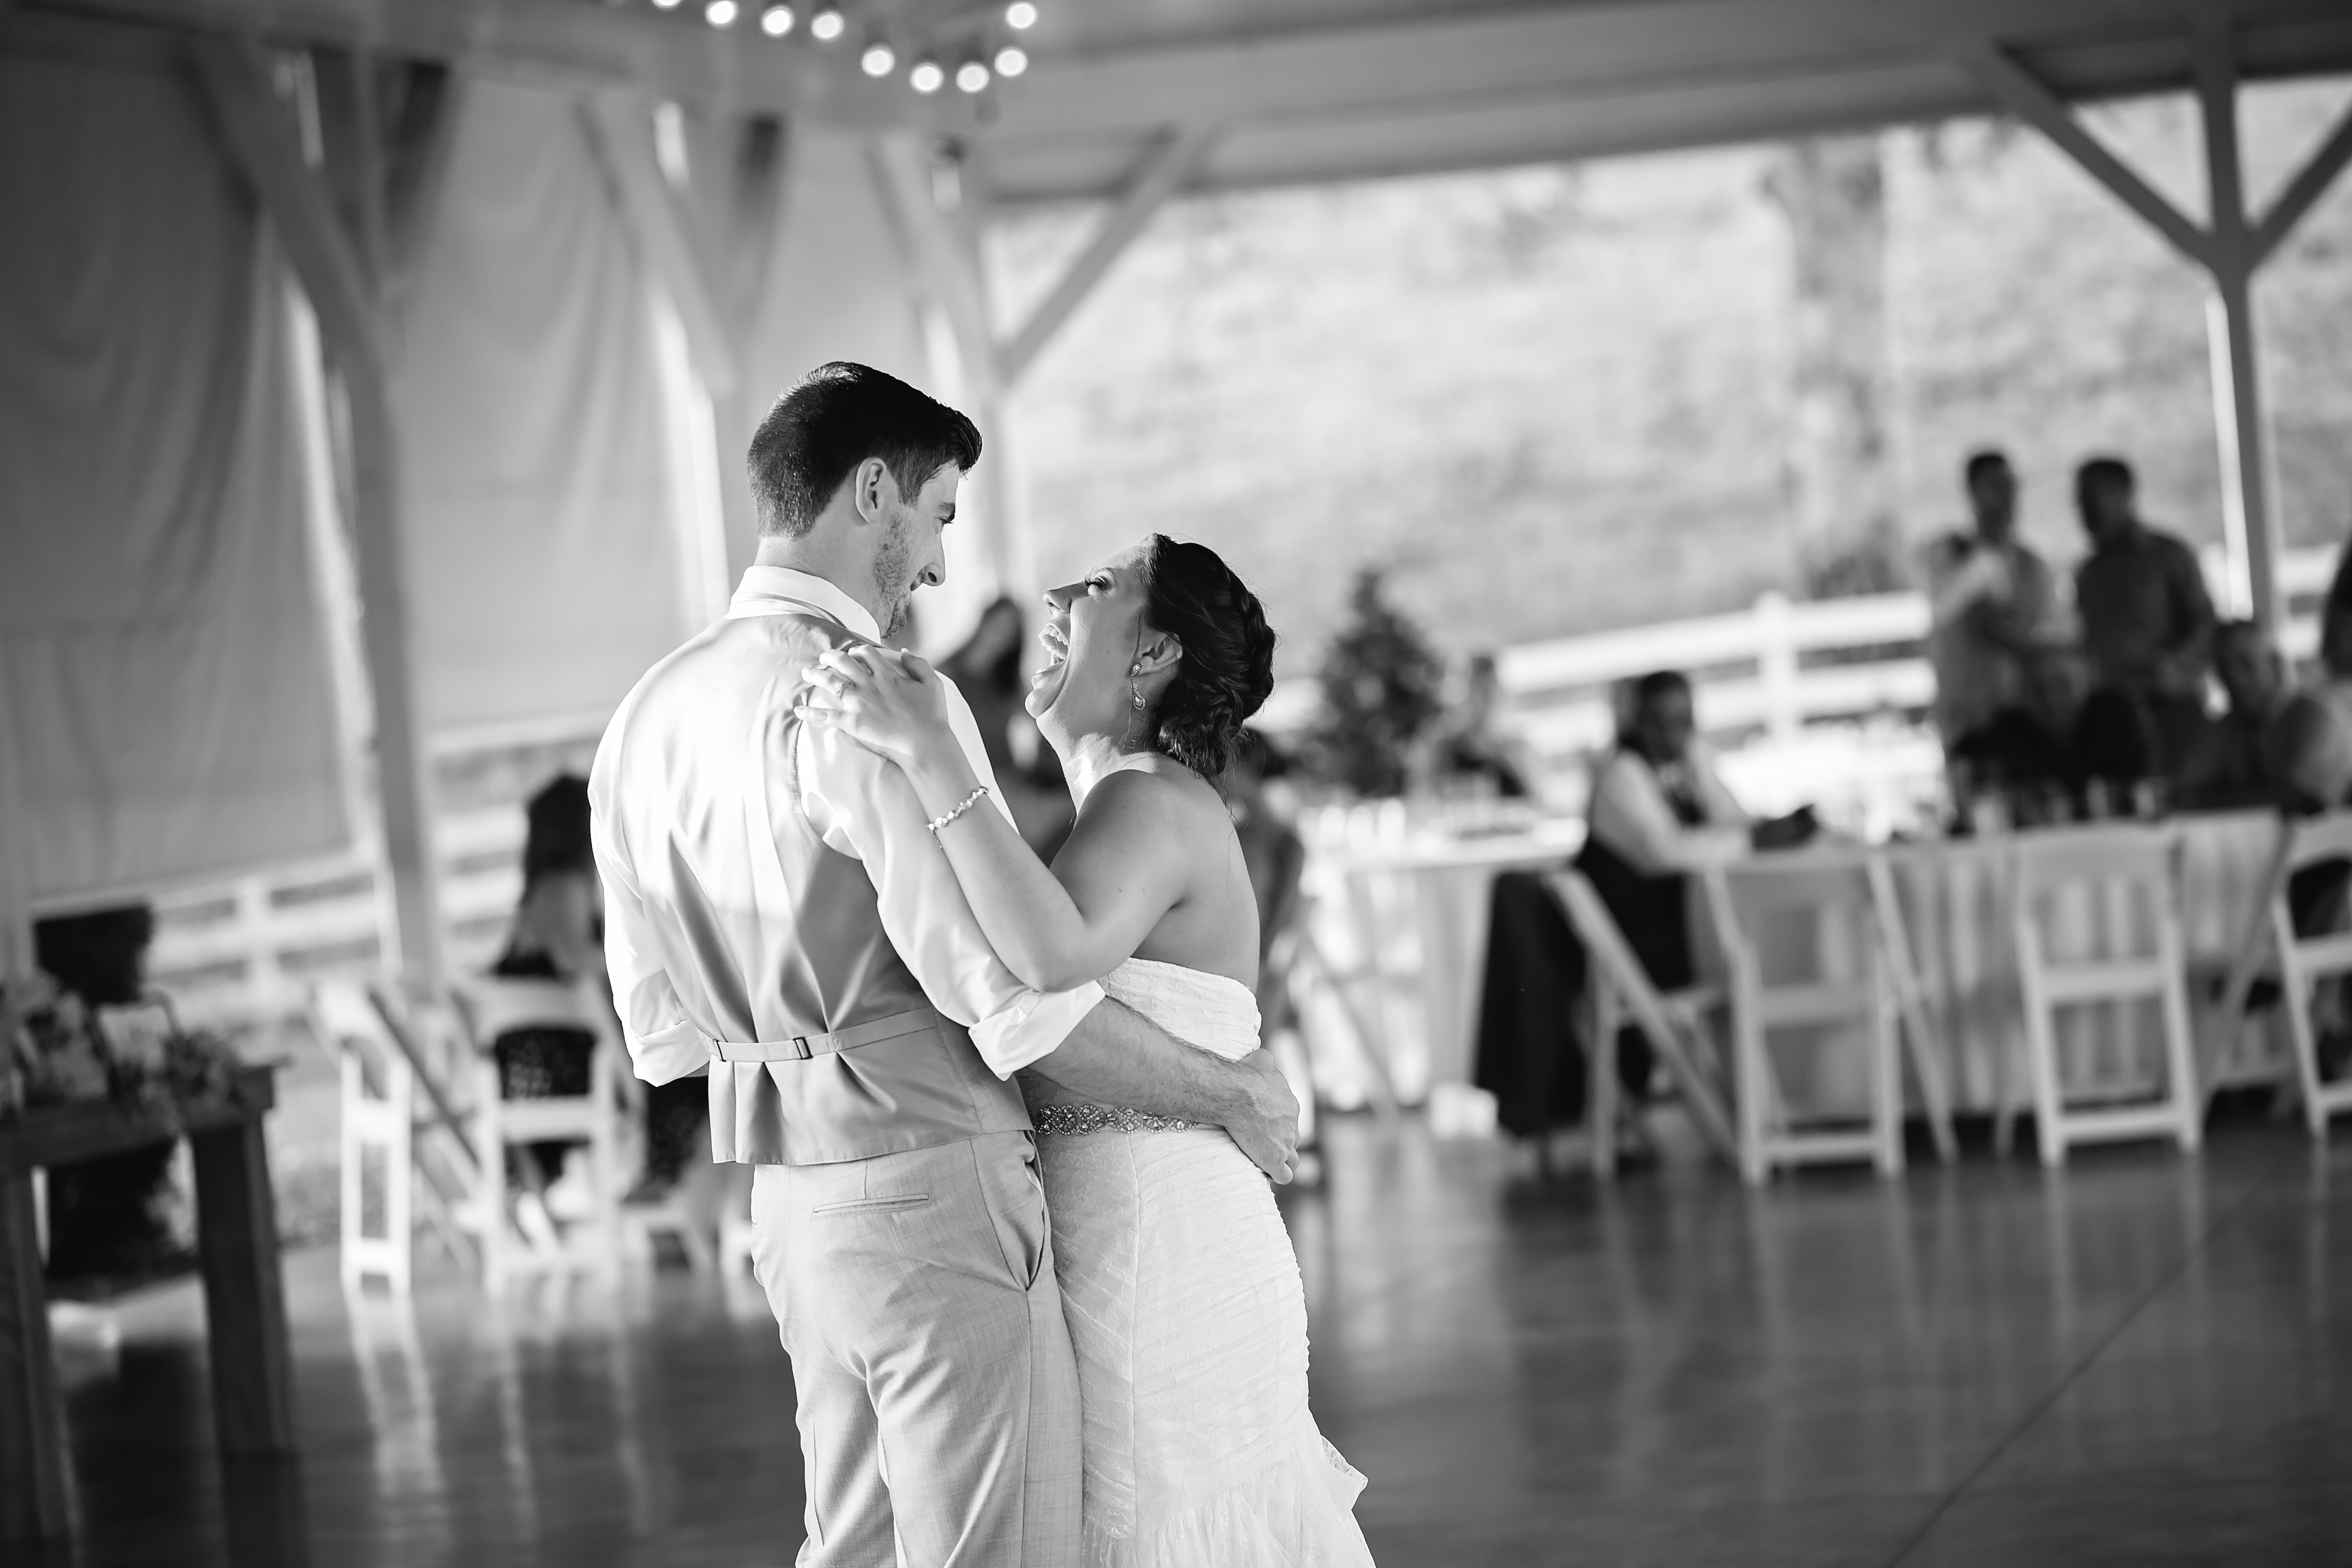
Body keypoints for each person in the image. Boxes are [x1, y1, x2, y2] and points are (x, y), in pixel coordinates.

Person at [590, 363, 1300, 1568]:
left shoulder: (645, 715)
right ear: (874, 490)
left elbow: (658, 1027)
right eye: (937, 516)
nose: (935, 564)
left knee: (852, 1547)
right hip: (932, 1182)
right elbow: (1009, 1002)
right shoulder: (873, 694)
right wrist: (1230, 1089)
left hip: (786, 1197)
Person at [800, 535, 1376, 1566]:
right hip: (1138, 1235)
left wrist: (934, 752)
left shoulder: (1147, 798)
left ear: (1153, 653)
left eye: (1101, 585)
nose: (1060, 594)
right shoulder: (1122, 805)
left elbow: (1050, 956)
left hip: (1160, 1256)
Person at [488, 774, 632, 1222]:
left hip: (526, 1076)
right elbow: (578, 962)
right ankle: (688, 1209)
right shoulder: (564, 886)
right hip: (557, 1072)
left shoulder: (540, 893)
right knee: (688, 1080)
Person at [2071, 455, 2215, 777]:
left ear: (2124, 494)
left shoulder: (2169, 556)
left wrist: (2175, 664)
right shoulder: (2088, 572)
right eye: (2080, 500)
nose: (2084, 509)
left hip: (2171, 708)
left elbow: (2205, 625)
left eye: (2092, 496)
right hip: (2114, 715)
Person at [1920, 450, 2064, 757]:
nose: (2005, 497)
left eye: (2010, 486)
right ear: (1972, 492)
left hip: (2024, 721)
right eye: (1994, 487)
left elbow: (2047, 637)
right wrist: (1985, 556)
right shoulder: (1947, 554)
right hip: (1965, 719)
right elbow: (1942, 606)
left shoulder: (2032, 566)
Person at [941, 594, 1076, 856]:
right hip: (974, 780)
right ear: (984, 621)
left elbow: (1042, 719)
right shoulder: (946, 674)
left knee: (1069, 808)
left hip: (1007, 775)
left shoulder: (1007, 685)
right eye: (998, 624)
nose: (1000, 635)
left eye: (1009, 632)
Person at [2177, 620, 2289, 809]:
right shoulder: (2221, 732)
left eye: (2247, 665)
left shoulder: (2308, 720)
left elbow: (2298, 798)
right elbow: (2185, 793)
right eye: (2225, 670)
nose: (2235, 680)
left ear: (2276, 665)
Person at [1426, 653, 1531, 798]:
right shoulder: (1442, 748)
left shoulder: (1516, 750)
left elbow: (1538, 802)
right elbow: (1420, 797)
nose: (1481, 701)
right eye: (1475, 689)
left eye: (1488, 691)